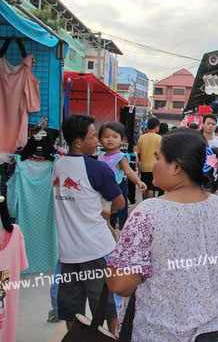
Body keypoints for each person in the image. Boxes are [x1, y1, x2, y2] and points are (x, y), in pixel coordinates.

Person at [106, 129, 218, 341]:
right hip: (214, 330)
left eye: (158, 158)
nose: (153, 165)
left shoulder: (148, 213)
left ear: (177, 167)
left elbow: (121, 284)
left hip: (159, 332)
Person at [52, 114, 123, 332]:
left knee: (71, 309)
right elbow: (119, 203)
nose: (98, 142)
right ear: (78, 142)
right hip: (97, 250)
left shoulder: (57, 166)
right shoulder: (98, 169)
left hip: (68, 254)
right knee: (109, 307)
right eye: (93, 137)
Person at [98, 122, 147, 230]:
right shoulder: (100, 155)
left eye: (114, 137)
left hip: (113, 193)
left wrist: (138, 182)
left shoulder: (120, 156)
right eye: (106, 137)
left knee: (106, 221)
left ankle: (113, 244)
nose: (110, 140)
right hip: (100, 192)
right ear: (100, 139)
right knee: (102, 221)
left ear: (122, 140)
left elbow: (128, 171)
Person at [136, 117, 162, 199]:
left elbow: (138, 153)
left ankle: (144, 204)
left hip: (144, 167)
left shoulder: (141, 138)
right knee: (151, 188)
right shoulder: (159, 138)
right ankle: (150, 205)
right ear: (156, 126)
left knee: (145, 187)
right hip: (154, 167)